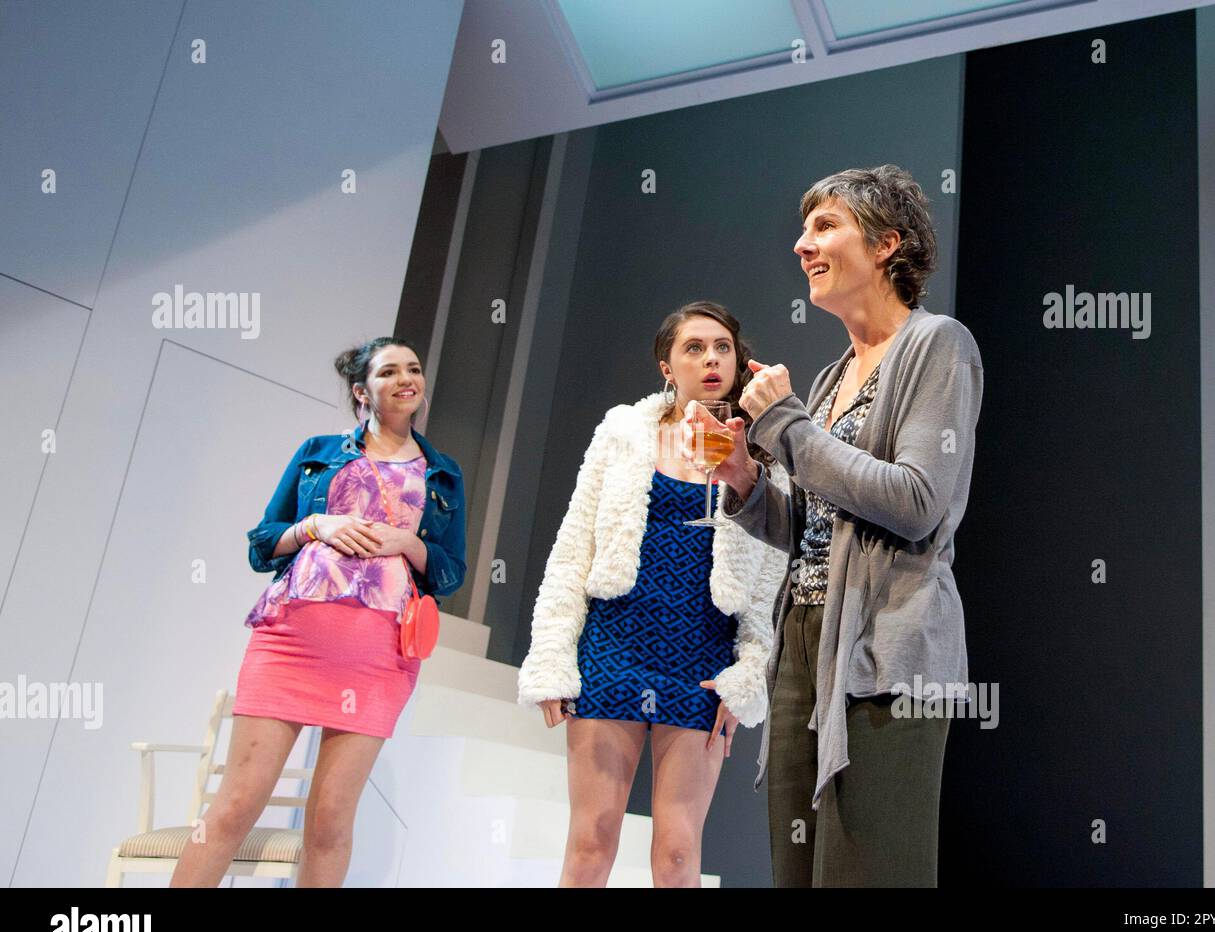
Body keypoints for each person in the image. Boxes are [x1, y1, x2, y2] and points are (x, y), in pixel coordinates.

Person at [696, 165, 984, 887]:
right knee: (798, 873)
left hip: (889, 648)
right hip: (806, 643)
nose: (802, 244)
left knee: (868, 872)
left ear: (888, 243)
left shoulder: (937, 346)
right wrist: (745, 479)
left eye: (825, 226)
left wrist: (787, 424)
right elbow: (814, 526)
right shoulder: (830, 378)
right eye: (804, 228)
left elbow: (917, 501)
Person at [171, 337, 466, 887]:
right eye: (389, 372)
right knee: (235, 807)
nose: (407, 379)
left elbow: (450, 571)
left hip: (380, 656)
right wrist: (316, 526)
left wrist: (409, 542)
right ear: (362, 391)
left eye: (415, 369)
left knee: (331, 819)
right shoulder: (319, 452)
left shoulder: (442, 474)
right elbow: (262, 543)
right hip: (290, 642)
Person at [517, 301, 789, 887]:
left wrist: (749, 674)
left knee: (677, 852)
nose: (712, 358)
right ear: (667, 365)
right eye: (694, 347)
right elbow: (572, 553)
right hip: (613, 650)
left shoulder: (761, 454)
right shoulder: (622, 433)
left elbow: (768, 589)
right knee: (591, 839)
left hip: (701, 661)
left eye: (722, 347)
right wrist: (552, 660)